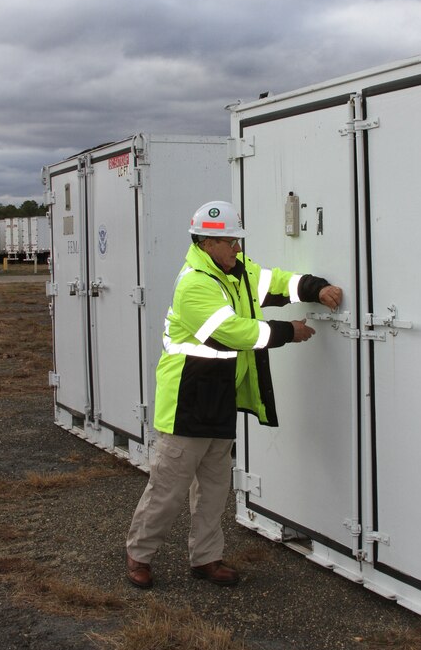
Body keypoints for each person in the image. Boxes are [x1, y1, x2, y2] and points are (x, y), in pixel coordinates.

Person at [126, 200, 342, 588]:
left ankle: (206, 558)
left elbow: (276, 283)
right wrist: (288, 332)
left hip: (219, 398)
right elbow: (235, 332)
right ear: (208, 243)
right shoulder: (195, 283)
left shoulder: (235, 272)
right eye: (231, 242)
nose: (238, 249)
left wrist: (316, 287)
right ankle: (139, 555)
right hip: (186, 404)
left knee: (213, 488)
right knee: (168, 489)